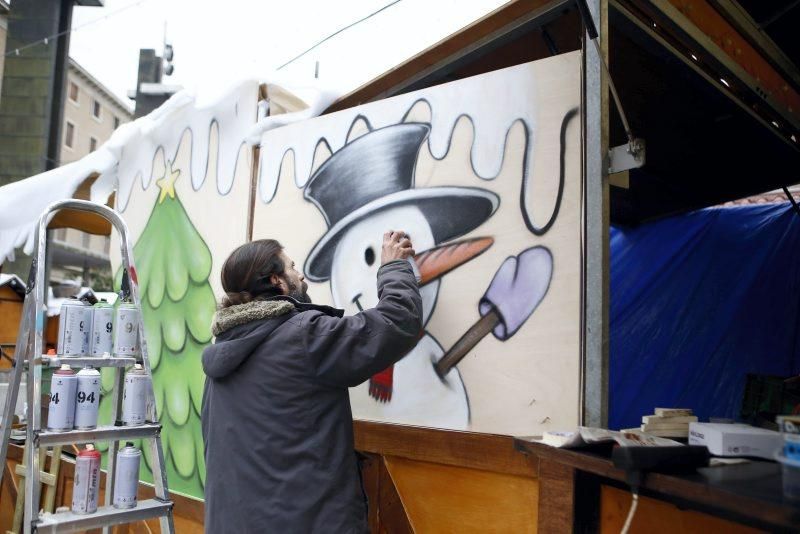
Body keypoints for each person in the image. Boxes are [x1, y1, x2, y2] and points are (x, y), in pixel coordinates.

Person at [201, 231, 422, 533]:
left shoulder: (222, 349)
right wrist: (393, 267)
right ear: (277, 281)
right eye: (292, 267)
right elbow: (395, 324)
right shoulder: (301, 335)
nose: (301, 275)